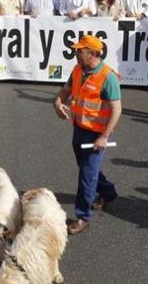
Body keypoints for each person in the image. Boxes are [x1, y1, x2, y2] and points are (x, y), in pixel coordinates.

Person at [54, 35, 121, 235]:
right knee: (86, 169)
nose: (75, 53)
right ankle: (108, 192)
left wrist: (104, 136)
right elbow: (65, 91)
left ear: (92, 54)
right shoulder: (77, 70)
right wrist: (58, 102)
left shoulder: (108, 77)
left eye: (79, 51)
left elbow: (116, 110)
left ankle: (82, 217)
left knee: (86, 174)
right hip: (79, 129)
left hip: (97, 134)